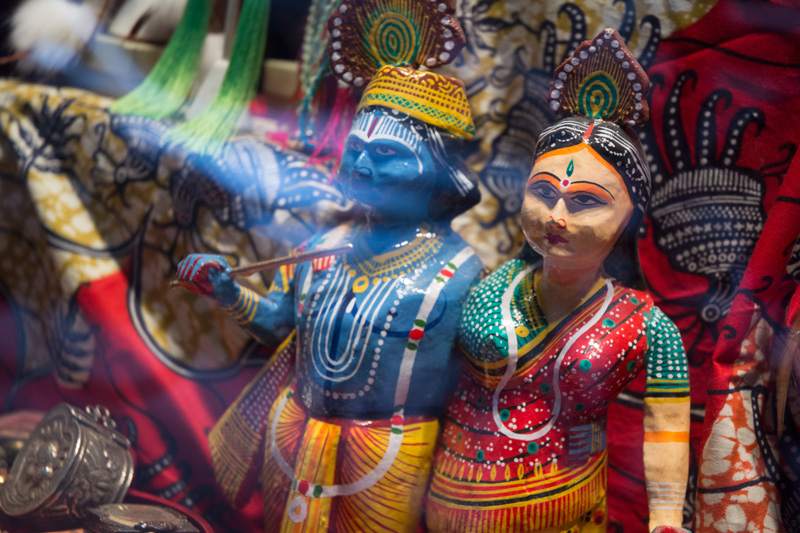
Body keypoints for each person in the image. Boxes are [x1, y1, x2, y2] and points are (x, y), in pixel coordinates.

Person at [174, 12, 483, 527]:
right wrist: (228, 292)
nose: (362, 167)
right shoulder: (321, 247)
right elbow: (279, 324)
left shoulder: (461, 273)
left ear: (442, 171)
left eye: (388, 154)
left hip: (396, 453)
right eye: (356, 150)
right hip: (294, 433)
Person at [425, 29, 691, 533]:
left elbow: (667, 427)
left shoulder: (649, 326)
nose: (557, 215)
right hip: (451, 496)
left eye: (586, 201)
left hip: (565, 506)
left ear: (630, 217)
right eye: (543, 192)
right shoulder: (486, 286)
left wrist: (665, 519)